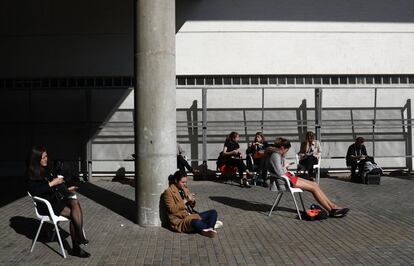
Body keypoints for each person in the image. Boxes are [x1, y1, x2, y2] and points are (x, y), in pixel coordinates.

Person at [26, 145, 90, 258]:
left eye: (46, 156)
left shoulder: (47, 167)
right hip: (47, 204)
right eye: (43, 157)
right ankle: (77, 245)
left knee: (75, 202)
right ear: (36, 159)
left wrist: (66, 188)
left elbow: (55, 185)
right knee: (74, 214)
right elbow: (34, 191)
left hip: (57, 198)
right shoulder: (31, 173)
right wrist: (52, 183)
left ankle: (79, 237)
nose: (46, 159)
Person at [265, 138, 349, 218]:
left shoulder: (277, 154)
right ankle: (331, 210)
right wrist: (285, 166)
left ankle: (333, 207)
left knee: (315, 184)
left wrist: (284, 167)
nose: (286, 152)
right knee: (314, 188)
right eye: (287, 150)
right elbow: (280, 172)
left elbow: (279, 170)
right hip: (285, 181)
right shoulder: (275, 155)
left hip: (288, 178)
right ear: (282, 148)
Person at [163, 170, 222, 238]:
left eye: (186, 182)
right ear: (176, 181)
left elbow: (191, 206)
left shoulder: (184, 188)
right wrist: (185, 200)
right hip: (181, 220)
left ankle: (208, 228)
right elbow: (172, 209)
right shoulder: (168, 192)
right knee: (196, 222)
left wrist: (192, 201)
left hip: (190, 215)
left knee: (213, 212)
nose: (185, 184)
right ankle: (210, 225)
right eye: (182, 182)